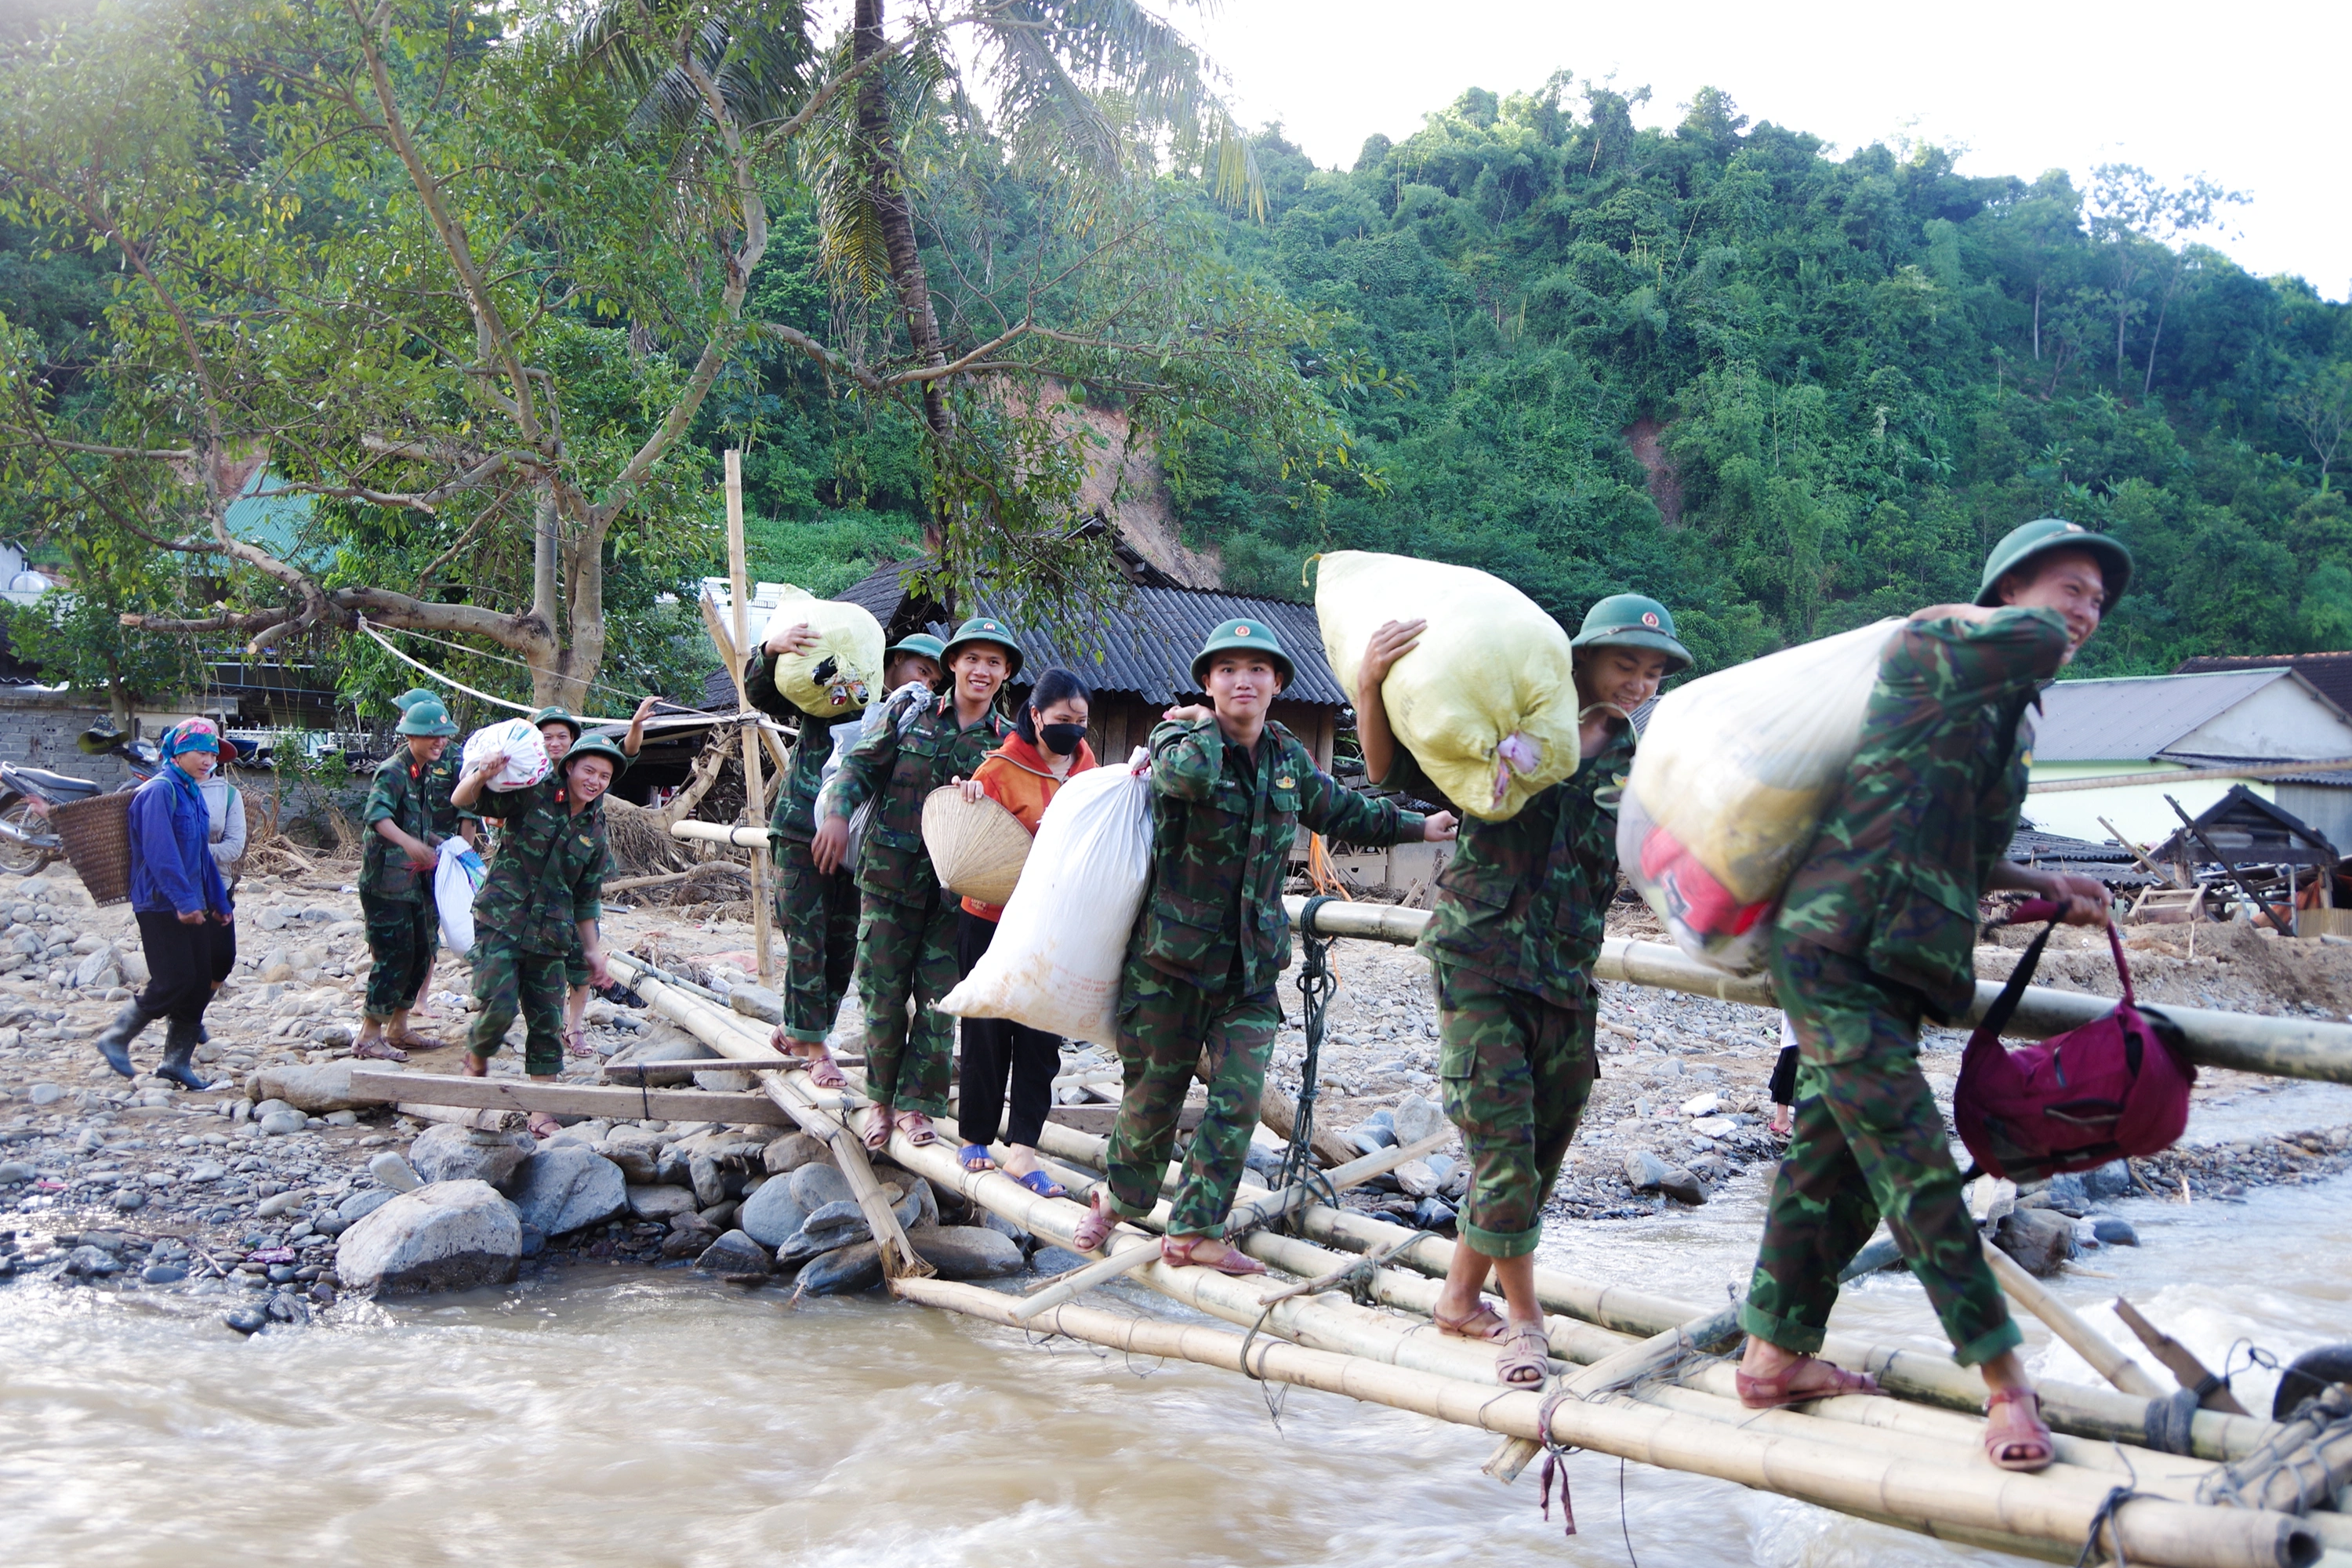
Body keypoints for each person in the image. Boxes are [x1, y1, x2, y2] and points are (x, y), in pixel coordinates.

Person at [1734, 517, 2128, 1472]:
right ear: (2008, 589)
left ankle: (1769, 1356)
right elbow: (1959, 628)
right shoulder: (1938, 651)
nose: (2086, 613)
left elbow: (1962, 841)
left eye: (2098, 602)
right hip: (1836, 945)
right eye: (2070, 588)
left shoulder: (2009, 717)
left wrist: (2052, 888)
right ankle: (2005, 1380)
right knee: (1912, 1159)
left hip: (1904, 963)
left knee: (1836, 1167)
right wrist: (2023, 622)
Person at [1358, 594, 1689, 1385]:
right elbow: (1390, 771)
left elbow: (1664, 842)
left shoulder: (1640, 754)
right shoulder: (1510, 712)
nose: (1639, 684)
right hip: (1481, 959)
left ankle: (1460, 1298)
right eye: (1623, 665)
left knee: (1537, 1157)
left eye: (1651, 672)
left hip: (1569, 976)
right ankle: (1525, 1324)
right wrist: (1370, 684)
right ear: (1581, 661)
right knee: (1503, 1151)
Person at [1070, 619, 1458, 1272]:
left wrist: (1421, 823)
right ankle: (1119, 1200)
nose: (1242, 681)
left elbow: (1341, 810)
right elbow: (1188, 780)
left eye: (1257, 670)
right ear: (1206, 682)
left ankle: (1193, 1229)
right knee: (1151, 1105)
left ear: (1279, 683)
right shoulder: (1178, 737)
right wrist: (1197, 722)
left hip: (1248, 972)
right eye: (1227, 670)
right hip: (1168, 969)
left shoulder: (1285, 755)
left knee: (1240, 1100)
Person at [815, 617, 1018, 1151]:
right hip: (888, 882)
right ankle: (879, 1101)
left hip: (958, 900)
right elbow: (858, 767)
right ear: (952, 663)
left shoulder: (1008, 745)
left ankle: (916, 1108)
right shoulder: (911, 712)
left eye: (994, 662)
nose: (982, 670)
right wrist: (836, 815)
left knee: (939, 1003)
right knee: (882, 997)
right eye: (972, 658)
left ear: (1005, 674)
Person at [750, 628, 945, 1083]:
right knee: (807, 938)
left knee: (842, 948)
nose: (927, 685)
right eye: (921, 671)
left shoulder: (920, 720)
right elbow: (766, 696)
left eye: (936, 681)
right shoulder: (842, 689)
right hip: (804, 829)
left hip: (866, 849)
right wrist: (768, 652)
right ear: (893, 663)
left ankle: (800, 1027)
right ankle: (817, 1050)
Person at [951, 666, 1097, 1194]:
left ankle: (1024, 1150)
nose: (1073, 730)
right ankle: (974, 1136)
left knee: (1041, 1037)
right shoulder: (998, 768)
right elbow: (969, 839)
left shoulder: (1087, 767)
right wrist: (964, 797)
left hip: (1054, 923)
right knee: (987, 1029)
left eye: (1081, 721)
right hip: (989, 918)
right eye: (1063, 719)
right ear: (1035, 715)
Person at [451, 731, 625, 1138]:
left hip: (552, 936)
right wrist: (481, 773)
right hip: (501, 921)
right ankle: (477, 1054)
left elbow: (586, 900)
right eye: (589, 770)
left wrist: (594, 952)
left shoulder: (595, 832)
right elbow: (464, 800)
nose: (595, 781)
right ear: (569, 768)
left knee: (547, 1022)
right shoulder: (532, 793)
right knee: (499, 1004)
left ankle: (540, 1110)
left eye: (604, 775)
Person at [91, 719, 234, 1091]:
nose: (208, 760)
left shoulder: (191, 793)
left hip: (195, 902)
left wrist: (218, 901)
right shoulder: (158, 792)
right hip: (160, 904)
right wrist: (184, 902)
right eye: (201, 752)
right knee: (174, 981)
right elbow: (161, 854)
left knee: (200, 981)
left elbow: (202, 857)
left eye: (212, 754)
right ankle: (117, 1037)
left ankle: (175, 1063)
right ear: (179, 752)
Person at [528, 699, 659, 1058]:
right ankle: (546, 1026)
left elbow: (626, 753)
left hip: (580, 877)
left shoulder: (591, 771)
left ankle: (575, 1026)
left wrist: (635, 725)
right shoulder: (530, 780)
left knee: (585, 955)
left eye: (562, 737)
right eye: (547, 737)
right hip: (538, 889)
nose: (554, 743)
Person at [354, 698, 463, 1062]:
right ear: (411, 735)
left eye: (444, 737)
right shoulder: (393, 771)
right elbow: (378, 818)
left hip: (414, 883)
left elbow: (419, 825)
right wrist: (411, 845)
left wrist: (442, 846)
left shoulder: (424, 771)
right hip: (385, 882)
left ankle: (398, 1028)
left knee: (422, 952)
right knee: (394, 956)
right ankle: (369, 1037)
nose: (440, 743)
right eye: (433, 736)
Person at [391, 688, 478, 1029]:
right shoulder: (404, 759)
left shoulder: (455, 758)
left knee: (433, 924)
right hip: (408, 855)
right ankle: (404, 1000)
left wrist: (461, 859)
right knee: (413, 925)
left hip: (443, 857)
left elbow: (467, 815)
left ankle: (421, 999)